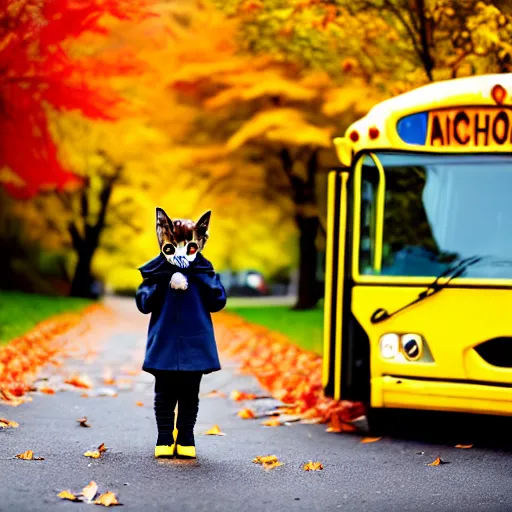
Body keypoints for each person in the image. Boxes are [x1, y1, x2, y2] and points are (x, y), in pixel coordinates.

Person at [135, 207, 226, 459]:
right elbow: (143, 303)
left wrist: (201, 279)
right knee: (164, 392)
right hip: (165, 340)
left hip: (195, 342)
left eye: (190, 248)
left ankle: (186, 436)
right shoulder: (157, 273)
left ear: (200, 245)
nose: (182, 254)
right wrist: (164, 282)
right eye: (172, 248)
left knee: (189, 392)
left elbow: (218, 301)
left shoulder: (203, 272)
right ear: (163, 243)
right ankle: (164, 436)